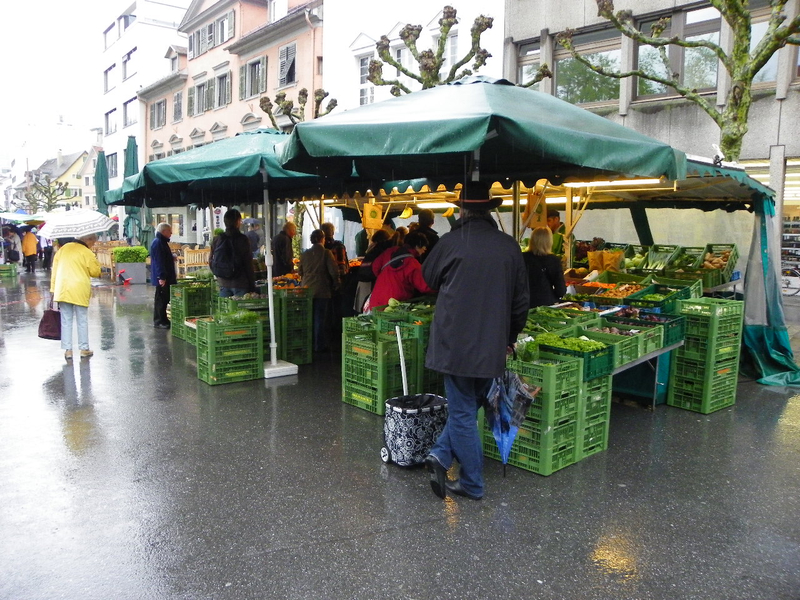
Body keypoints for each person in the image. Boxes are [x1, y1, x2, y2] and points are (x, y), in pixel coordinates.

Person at [421, 182, 529, 501]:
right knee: (474, 402)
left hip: (453, 344)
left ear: (462, 211)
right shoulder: (509, 246)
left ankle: (471, 483)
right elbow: (521, 301)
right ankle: (441, 455)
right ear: (488, 210)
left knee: (463, 412)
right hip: (492, 343)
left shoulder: (450, 242)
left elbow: (428, 278)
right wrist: (510, 338)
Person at [50, 233, 102, 361]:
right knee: (82, 319)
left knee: (66, 320)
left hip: (63, 288)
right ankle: (84, 349)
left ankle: (68, 350)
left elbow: (54, 272)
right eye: (93, 242)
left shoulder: (62, 250)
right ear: (88, 240)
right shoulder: (86, 252)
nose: (93, 245)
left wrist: (53, 290)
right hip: (79, 288)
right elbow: (95, 272)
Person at [368, 231, 435, 309]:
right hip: (394, 306)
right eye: (424, 247)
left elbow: (375, 267)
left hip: (377, 299)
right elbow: (424, 286)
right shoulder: (412, 264)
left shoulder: (390, 251)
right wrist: (439, 286)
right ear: (417, 246)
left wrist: (385, 278)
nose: (425, 249)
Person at [299, 229, 340, 352]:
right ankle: (319, 345)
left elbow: (300, 271)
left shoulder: (305, 254)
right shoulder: (326, 253)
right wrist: (337, 283)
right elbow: (333, 271)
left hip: (306, 289)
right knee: (319, 318)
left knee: (308, 317)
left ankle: (307, 344)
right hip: (322, 289)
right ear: (323, 239)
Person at [209, 209, 257, 297]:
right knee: (241, 306)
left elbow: (211, 260)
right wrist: (252, 285)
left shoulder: (217, 239)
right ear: (238, 222)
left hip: (223, 283)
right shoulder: (243, 239)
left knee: (226, 306)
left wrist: (219, 274)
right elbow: (248, 264)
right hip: (240, 283)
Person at [524, 227, 567, 308]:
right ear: (549, 242)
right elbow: (561, 290)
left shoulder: (522, 258)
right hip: (545, 304)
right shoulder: (553, 260)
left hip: (524, 302)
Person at [353, 230, 393, 313]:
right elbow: (376, 268)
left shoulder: (372, 249)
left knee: (362, 308)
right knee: (367, 307)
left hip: (363, 280)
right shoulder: (381, 251)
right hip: (370, 282)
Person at [150, 222, 178, 329]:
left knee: (164, 299)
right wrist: (161, 277)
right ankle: (159, 321)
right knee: (161, 299)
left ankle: (163, 319)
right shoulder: (158, 243)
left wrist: (171, 257)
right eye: (169, 231)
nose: (171, 233)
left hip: (165, 276)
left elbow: (162, 258)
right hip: (163, 277)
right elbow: (159, 262)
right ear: (164, 231)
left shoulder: (161, 242)